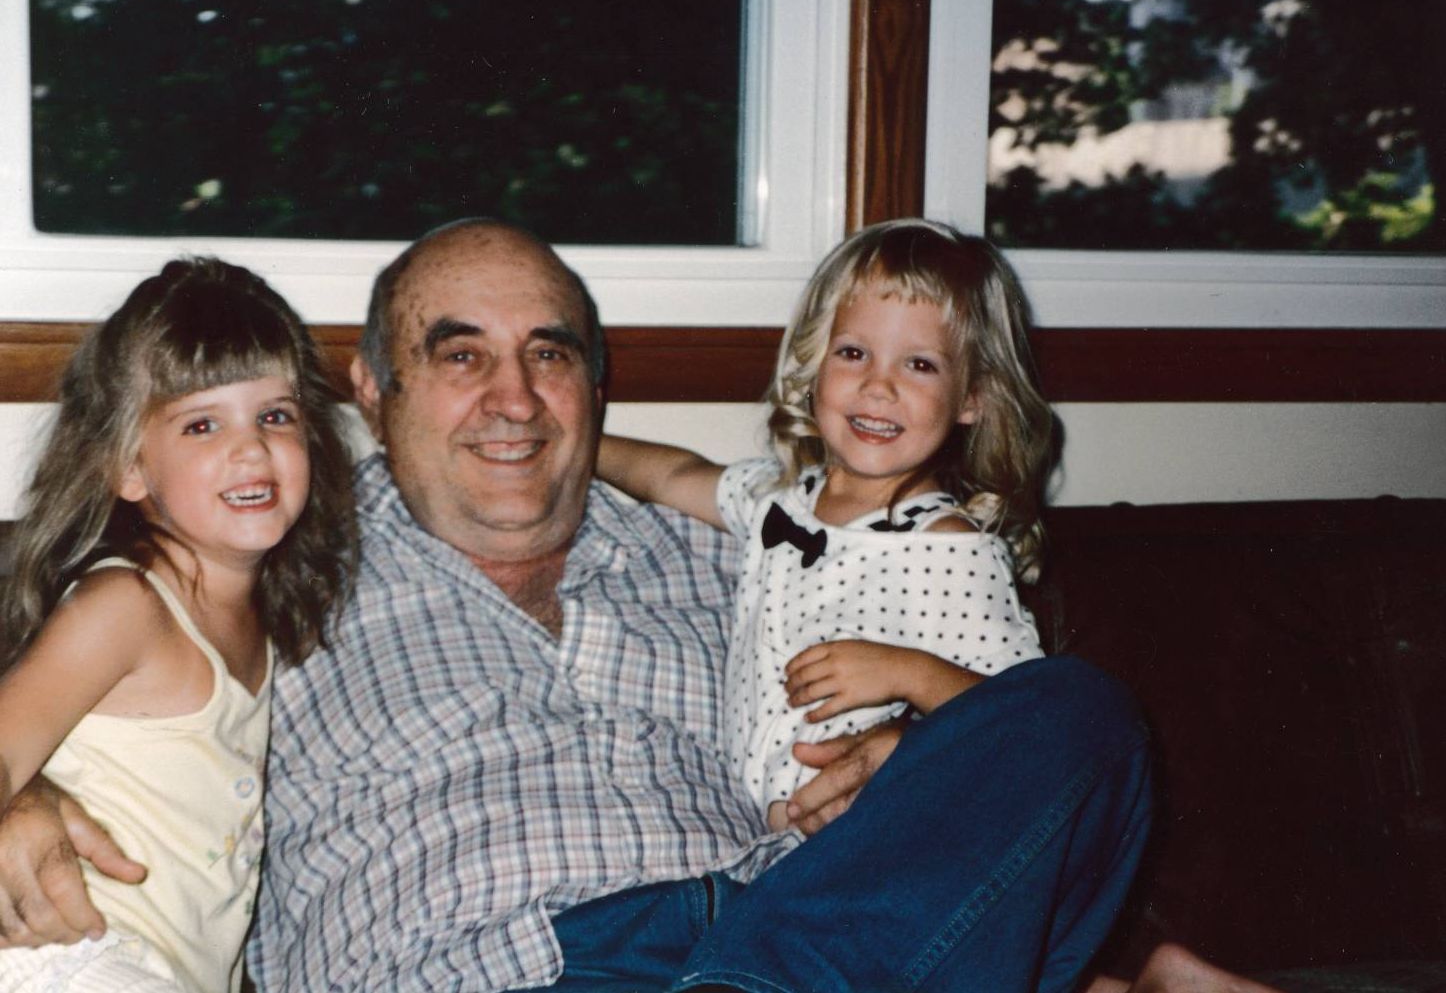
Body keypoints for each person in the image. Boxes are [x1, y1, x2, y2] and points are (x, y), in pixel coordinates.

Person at [0, 220, 1155, 992]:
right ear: (372, 391)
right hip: (492, 968)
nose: (514, 399)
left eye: (549, 355)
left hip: (783, 942)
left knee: (1081, 714)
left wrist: (926, 755)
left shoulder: (749, 556)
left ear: (595, 386)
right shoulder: (272, 559)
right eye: (461, 356)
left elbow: (986, 759)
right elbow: (78, 639)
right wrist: (34, 789)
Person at [598, 219, 1053, 831]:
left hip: (881, 838)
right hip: (765, 840)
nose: (878, 385)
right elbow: (673, 475)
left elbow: (1030, 717)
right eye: (853, 353)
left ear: (972, 398)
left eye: (919, 364)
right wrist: (575, 445)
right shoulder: (779, 501)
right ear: (814, 365)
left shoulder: (950, 548)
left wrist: (906, 673)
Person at [0, 258, 356, 992]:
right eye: (202, 424)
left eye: (275, 415)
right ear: (128, 468)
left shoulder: (262, 618)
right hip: (65, 955)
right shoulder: (127, 606)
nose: (251, 447)